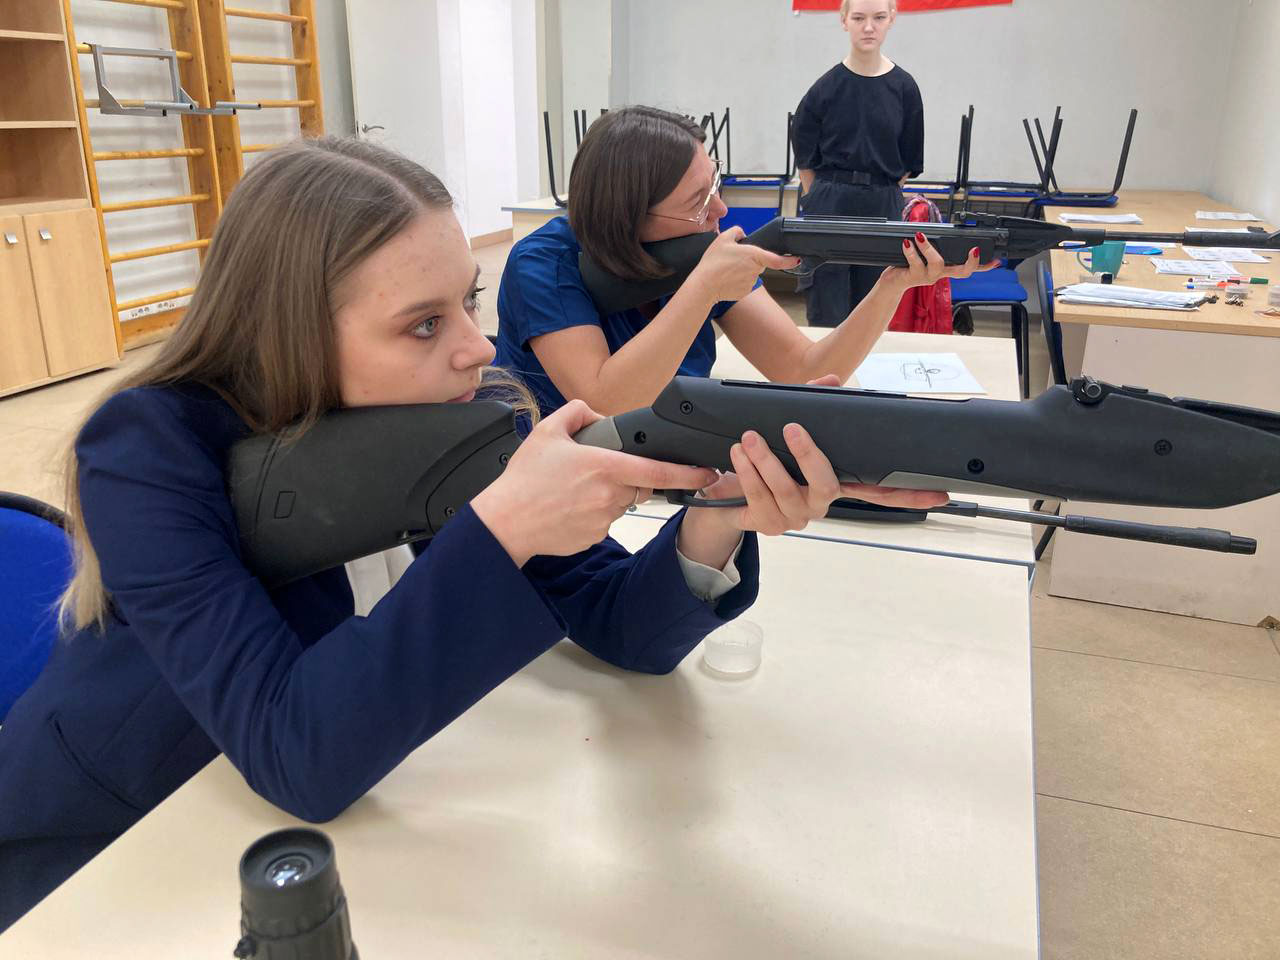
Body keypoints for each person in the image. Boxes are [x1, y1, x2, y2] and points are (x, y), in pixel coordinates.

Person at [0, 137, 946, 930]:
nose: (478, 346)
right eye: (423, 325)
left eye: (469, 299)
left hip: (316, 857)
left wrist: (717, 513)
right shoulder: (149, 447)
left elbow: (623, 625)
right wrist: (502, 530)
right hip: (101, 858)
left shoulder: (452, 418)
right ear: (285, 335)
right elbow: (299, 756)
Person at [496, 105, 983, 418]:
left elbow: (804, 371)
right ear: (628, 215)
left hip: (666, 461)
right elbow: (605, 403)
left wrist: (892, 286)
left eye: (715, 184)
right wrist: (702, 290)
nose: (721, 210)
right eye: (698, 200)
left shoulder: (697, 251)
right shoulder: (543, 263)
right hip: (560, 479)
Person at [792, 0, 925, 326]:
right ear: (844, 20)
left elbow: (909, 158)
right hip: (830, 202)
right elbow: (804, 153)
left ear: (891, 18)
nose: (868, 27)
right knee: (827, 311)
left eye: (878, 17)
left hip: (882, 203)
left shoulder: (904, 88)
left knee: (874, 308)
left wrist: (881, 192)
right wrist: (817, 198)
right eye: (859, 18)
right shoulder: (825, 89)